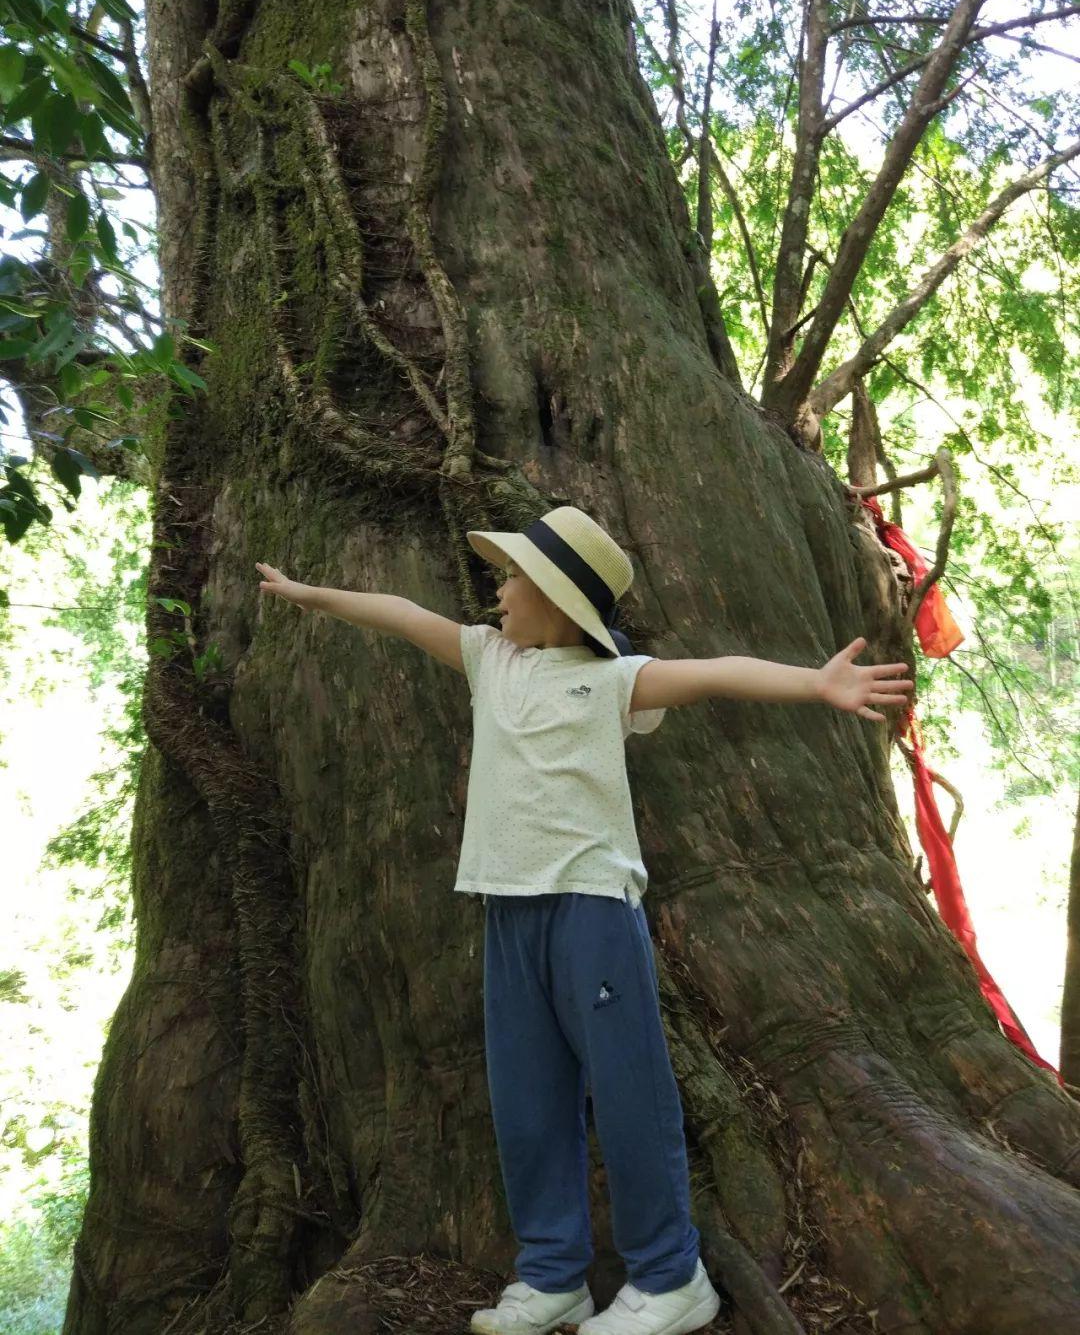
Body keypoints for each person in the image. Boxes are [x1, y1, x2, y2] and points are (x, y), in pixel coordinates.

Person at [255, 505, 912, 1335]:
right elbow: (406, 615)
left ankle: (671, 1277)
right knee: (526, 1100)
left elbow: (714, 671)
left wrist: (816, 683)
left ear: (559, 599)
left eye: (512, 576)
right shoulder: (488, 658)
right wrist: (312, 594)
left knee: (630, 1092)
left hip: (593, 907)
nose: (496, 589)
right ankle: (553, 1275)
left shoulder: (612, 680)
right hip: (508, 909)